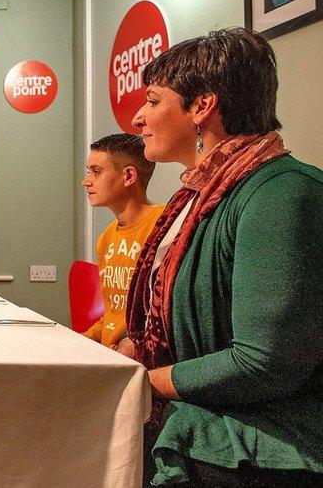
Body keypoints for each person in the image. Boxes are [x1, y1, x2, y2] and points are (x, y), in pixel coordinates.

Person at [120, 28, 323, 486]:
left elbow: (262, 362)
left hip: (265, 445)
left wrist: (143, 384)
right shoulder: (197, 196)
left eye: (153, 101)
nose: (138, 117)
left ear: (202, 106)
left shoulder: (282, 193)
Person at [80, 133, 164, 350]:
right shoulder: (106, 238)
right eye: (88, 172)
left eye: (96, 172)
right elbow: (112, 317)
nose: (86, 181)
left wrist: (134, 345)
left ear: (128, 176)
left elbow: (165, 309)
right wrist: (80, 339)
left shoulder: (163, 223)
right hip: (111, 355)